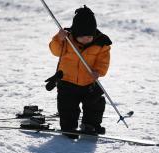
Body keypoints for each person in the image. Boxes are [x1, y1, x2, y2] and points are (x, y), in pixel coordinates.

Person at [48, 5, 112, 139]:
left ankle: (90, 125)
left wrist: (98, 72)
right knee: (67, 107)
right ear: (75, 33)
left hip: (89, 83)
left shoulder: (101, 43)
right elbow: (55, 51)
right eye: (82, 36)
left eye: (89, 36)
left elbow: (103, 61)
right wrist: (58, 39)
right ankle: (69, 127)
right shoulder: (66, 39)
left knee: (95, 104)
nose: (86, 39)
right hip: (67, 82)